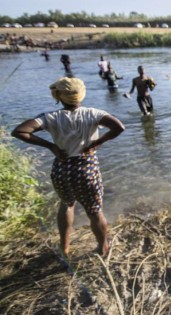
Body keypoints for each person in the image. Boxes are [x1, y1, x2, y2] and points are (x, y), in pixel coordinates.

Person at [11, 77, 125, 257]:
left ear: (59, 96)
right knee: (95, 212)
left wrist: (51, 146)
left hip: (62, 169)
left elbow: (19, 131)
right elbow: (119, 127)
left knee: (66, 205)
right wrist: (98, 142)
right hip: (86, 170)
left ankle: (64, 247)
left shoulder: (50, 117)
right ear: (82, 95)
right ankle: (102, 248)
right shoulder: (93, 114)